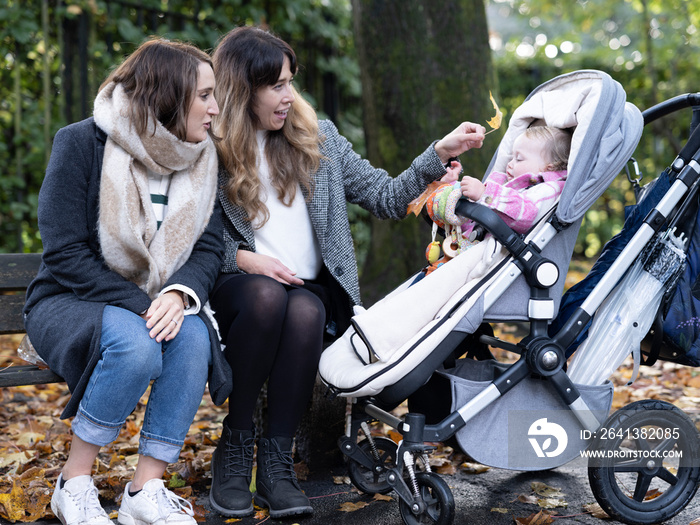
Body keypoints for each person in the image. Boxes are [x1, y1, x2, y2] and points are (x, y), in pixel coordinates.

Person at [207, 25, 485, 519]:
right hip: (237, 288)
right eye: (275, 85)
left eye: (290, 81)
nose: (288, 95)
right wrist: (245, 260)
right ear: (240, 90)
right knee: (270, 299)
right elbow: (192, 236)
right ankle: (235, 448)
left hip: (308, 291)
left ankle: (275, 467)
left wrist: (438, 155)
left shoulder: (320, 138)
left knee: (306, 311)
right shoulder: (211, 149)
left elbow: (383, 196)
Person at [22, 37, 231, 525]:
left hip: (156, 302)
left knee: (194, 335)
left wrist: (180, 293)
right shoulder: (81, 143)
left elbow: (208, 246)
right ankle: (72, 483)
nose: (215, 108)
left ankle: (145, 489)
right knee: (138, 344)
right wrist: (144, 304)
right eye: (204, 95)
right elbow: (66, 253)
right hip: (71, 299)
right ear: (167, 95)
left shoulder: (204, 158)